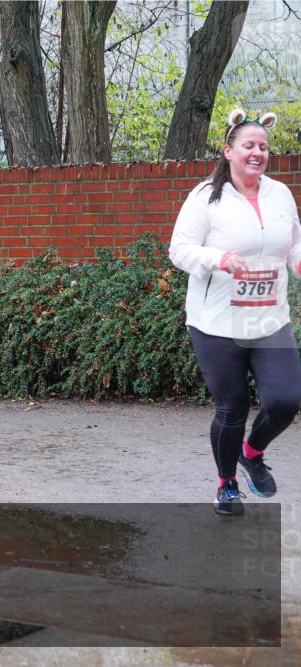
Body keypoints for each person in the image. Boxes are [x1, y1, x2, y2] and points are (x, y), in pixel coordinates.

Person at [169, 108, 301, 516]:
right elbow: (179, 250)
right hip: (216, 322)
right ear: (229, 151)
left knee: (286, 399)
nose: (258, 152)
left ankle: (252, 452)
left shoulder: (279, 194)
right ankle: (226, 485)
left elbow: (292, 241)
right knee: (233, 407)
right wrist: (220, 258)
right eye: (249, 145)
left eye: (263, 146)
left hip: (268, 316)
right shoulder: (205, 196)